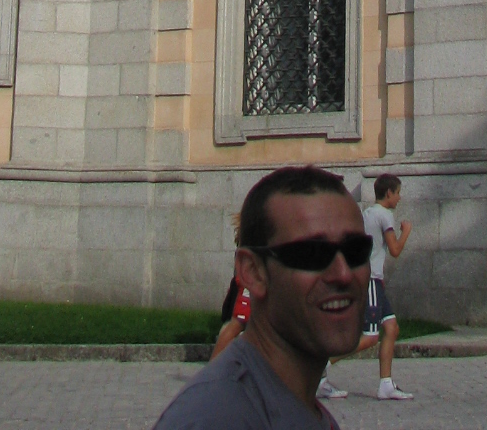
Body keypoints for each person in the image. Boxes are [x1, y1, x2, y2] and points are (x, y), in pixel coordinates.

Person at [154, 165, 369, 427]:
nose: (343, 274)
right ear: (253, 272)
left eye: (356, 250)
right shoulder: (217, 419)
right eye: (312, 254)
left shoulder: (296, 406)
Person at [360, 173, 413, 402]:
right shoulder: (385, 215)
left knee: (391, 328)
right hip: (371, 279)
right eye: (398, 192)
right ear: (389, 193)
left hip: (373, 280)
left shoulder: (368, 213)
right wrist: (406, 232)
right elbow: (395, 250)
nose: (400, 198)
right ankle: (322, 368)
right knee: (371, 337)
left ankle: (386, 385)